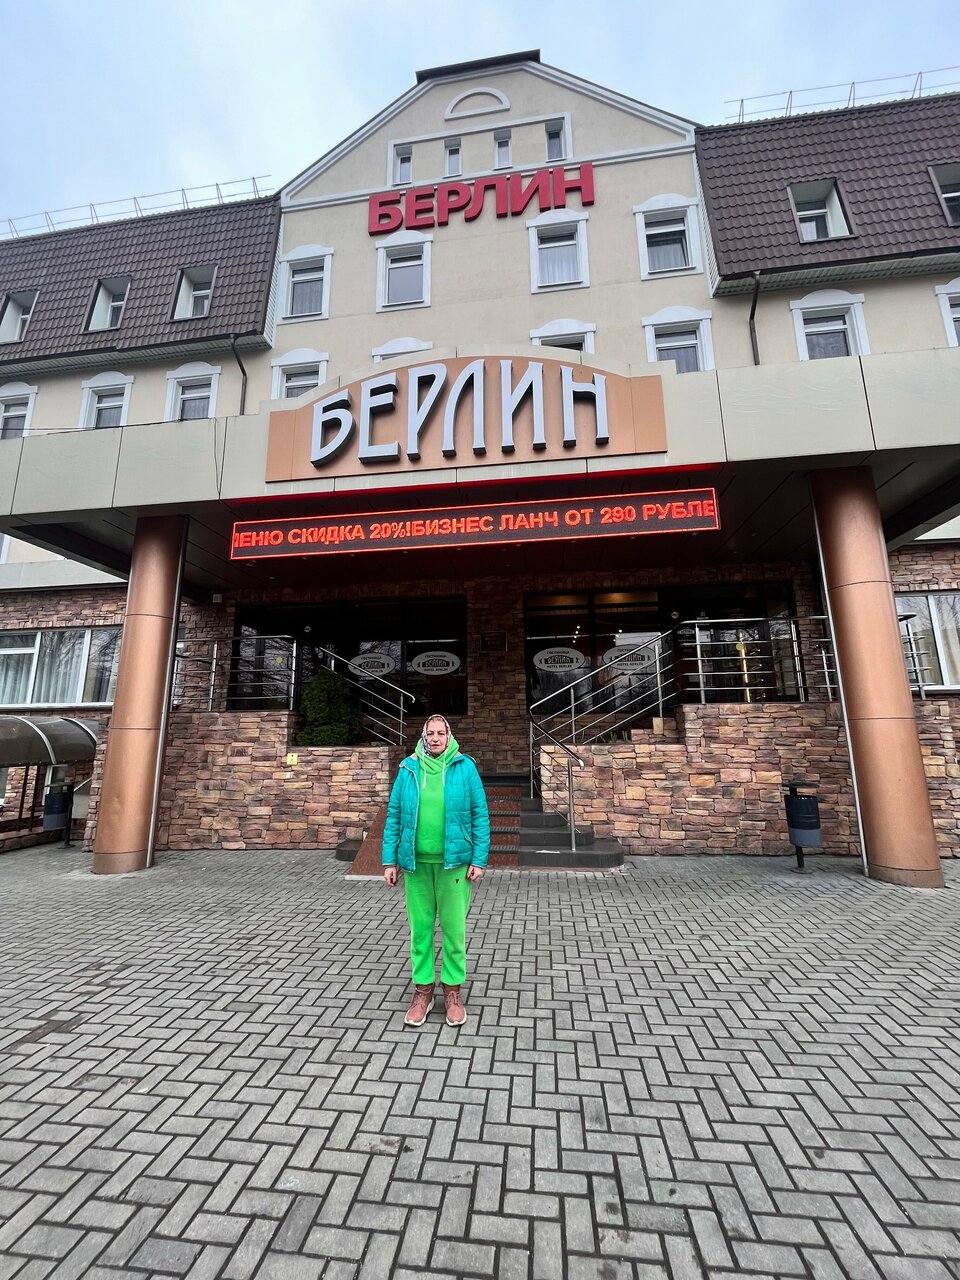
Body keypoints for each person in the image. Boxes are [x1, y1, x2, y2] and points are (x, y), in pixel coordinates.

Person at [382, 714, 490, 1028]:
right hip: (416, 865)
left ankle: (453, 991)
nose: (435, 738)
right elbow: (394, 816)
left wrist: (478, 859)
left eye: (441, 733)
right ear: (424, 736)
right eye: (430, 733)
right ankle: (423, 991)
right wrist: (389, 861)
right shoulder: (408, 768)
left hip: (454, 864)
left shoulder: (464, 767)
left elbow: (480, 815)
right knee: (420, 930)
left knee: (454, 931)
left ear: (449, 736)